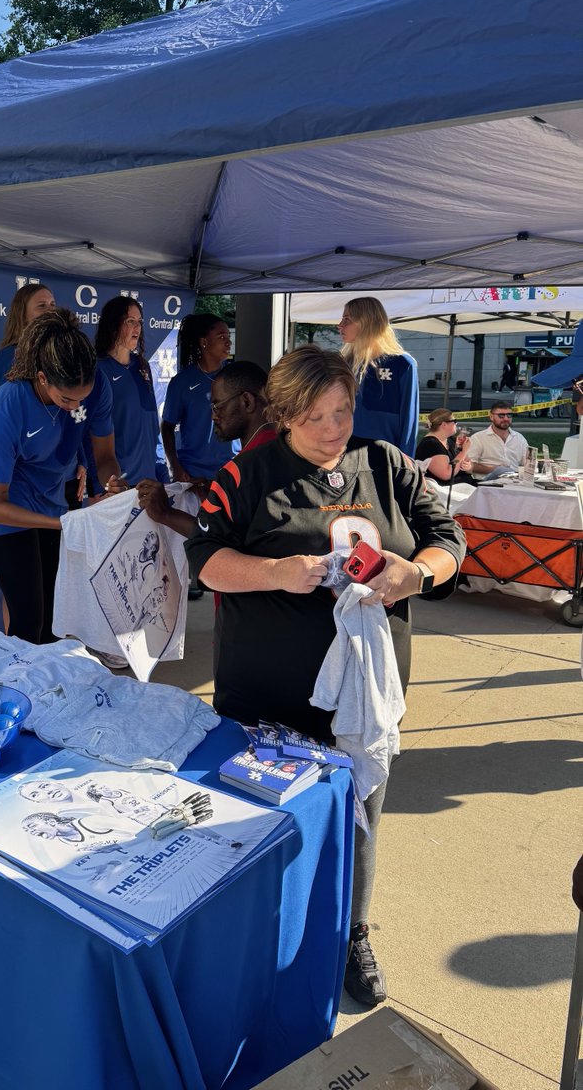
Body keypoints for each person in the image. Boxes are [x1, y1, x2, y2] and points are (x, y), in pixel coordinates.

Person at [185, 344, 465, 1008]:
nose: (334, 428)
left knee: (361, 813)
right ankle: (263, 936)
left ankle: (352, 933)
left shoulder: (388, 464)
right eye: (316, 417)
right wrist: (274, 573)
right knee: (265, 819)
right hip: (270, 693)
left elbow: (448, 540)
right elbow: (204, 560)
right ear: (283, 415)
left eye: (342, 411)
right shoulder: (247, 474)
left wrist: (414, 574)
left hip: (368, 692)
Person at [0, 308, 123, 645]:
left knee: (56, 616)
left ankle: (52, 691)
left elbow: (105, 456)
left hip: (52, 502)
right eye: (66, 398)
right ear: (42, 378)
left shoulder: (95, 389)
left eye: (82, 398)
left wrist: (114, 485)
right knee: (28, 619)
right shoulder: (9, 403)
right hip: (7, 512)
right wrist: (66, 523)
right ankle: (21, 694)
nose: (74, 406)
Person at [138, 360, 273, 539]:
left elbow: (216, 537)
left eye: (218, 406)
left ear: (246, 401)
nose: (213, 416)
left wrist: (165, 512)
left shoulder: (243, 470)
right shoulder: (282, 447)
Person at [93, 295, 166, 487]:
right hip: (118, 484)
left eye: (139, 322)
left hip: (149, 482)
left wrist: (161, 470)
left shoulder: (142, 367)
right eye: (130, 321)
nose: (137, 327)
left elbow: (151, 424)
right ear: (113, 324)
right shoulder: (98, 369)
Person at [160, 313, 234, 489]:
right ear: (204, 342)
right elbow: (167, 426)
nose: (228, 342)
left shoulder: (235, 376)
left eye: (228, 337)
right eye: (222, 337)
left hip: (230, 472)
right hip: (193, 476)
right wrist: (175, 466)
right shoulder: (181, 382)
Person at [338, 297, 419, 455]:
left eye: (347, 319)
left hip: (384, 459)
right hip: (343, 453)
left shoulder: (402, 364)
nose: (340, 325)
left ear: (367, 322)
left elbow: (409, 420)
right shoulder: (343, 363)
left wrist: (407, 463)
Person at [0, 282, 56, 407]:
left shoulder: (57, 354)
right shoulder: (10, 356)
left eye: (53, 304)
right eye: (42, 306)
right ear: (23, 315)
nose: (51, 310)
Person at [465, 402, 529, 475]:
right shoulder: (478, 438)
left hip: (514, 481)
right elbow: (469, 465)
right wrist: (495, 470)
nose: (506, 418)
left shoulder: (519, 438)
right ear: (491, 417)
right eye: (501, 415)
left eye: (509, 415)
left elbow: (528, 463)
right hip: (488, 482)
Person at [415, 409, 474, 484]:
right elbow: (447, 474)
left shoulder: (451, 440)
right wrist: (464, 451)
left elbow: (469, 467)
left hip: (464, 485)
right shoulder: (430, 445)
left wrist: (468, 467)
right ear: (444, 424)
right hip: (445, 491)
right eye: (454, 421)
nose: (456, 424)